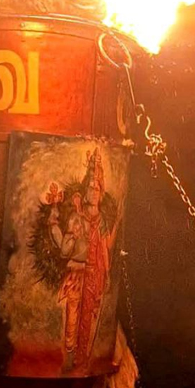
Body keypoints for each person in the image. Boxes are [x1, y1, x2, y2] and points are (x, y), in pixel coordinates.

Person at [49, 148, 121, 373]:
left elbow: (105, 250)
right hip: (77, 276)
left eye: (97, 187)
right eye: (89, 186)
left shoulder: (101, 222)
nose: (92, 190)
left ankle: (81, 360)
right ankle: (70, 354)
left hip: (94, 278)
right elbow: (64, 252)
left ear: (101, 192)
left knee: (88, 323)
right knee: (71, 322)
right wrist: (56, 222)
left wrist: (106, 274)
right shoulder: (76, 219)